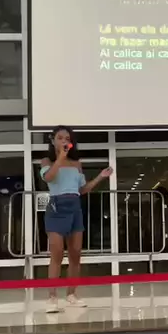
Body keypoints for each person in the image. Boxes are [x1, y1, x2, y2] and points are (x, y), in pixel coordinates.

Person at [40, 126, 112, 312]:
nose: (64, 141)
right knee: (57, 253)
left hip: (74, 206)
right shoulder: (47, 161)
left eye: (67, 138)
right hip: (56, 207)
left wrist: (100, 177)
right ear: (53, 140)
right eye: (60, 138)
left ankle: (71, 294)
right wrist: (61, 157)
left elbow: (82, 189)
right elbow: (49, 178)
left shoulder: (76, 164)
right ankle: (52, 297)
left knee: (75, 253)